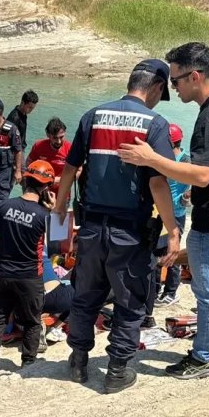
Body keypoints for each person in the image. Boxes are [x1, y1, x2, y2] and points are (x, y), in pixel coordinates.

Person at [118, 42, 209, 380]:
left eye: (176, 81)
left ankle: (204, 359)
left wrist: (152, 159)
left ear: (195, 76)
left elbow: (203, 175)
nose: (173, 87)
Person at [52, 59, 181, 394]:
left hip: (91, 228)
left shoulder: (92, 116)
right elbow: (157, 184)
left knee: (85, 296)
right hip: (130, 233)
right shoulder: (155, 124)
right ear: (154, 87)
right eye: (160, 93)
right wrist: (174, 230)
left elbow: (70, 168)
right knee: (130, 301)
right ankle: (117, 371)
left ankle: (78, 362)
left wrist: (61, 207)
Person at [0, 160, 56, 383]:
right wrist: (52, 210)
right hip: (30, 277)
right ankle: (28, 362)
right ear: (45, 188)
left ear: (25, 181)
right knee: (31, 320)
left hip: (3, 275)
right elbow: (59, 245)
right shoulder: (43, 215)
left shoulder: (4, 206)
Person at [152, 123, 192, 309]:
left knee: (172, 253)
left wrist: (186, 196)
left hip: (176, 213)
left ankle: (170, 292)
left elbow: (194, 184)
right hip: (159, 211)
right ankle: (156, 287)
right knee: (157, 251)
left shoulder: (185, 160)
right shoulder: (164, 158)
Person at [27, 117, 78, 197]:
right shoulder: (38, 146)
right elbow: (28, 165)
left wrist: (60, 180)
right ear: (48, 135)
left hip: (62, 195)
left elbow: (78, 170)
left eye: (61, 137)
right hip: (40, 193)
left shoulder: (70, 149)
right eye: (55, 138)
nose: (59, 141)